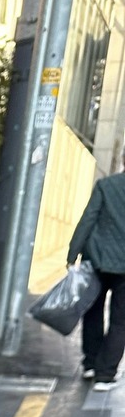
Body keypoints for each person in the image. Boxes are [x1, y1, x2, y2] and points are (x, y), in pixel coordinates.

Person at [69, 161, 125, 389]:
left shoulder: (106, 185)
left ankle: (91, 363)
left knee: (92, 312)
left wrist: (72, 253)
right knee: (120, 321)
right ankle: (105, 375)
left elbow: (88, 219)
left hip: (97, 260)